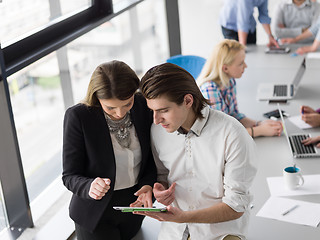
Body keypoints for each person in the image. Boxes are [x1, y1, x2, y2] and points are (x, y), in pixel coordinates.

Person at [138, 63, 257, 240]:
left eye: (163, 110)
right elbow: (163, 174)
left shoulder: (232, 134)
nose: (156, 120)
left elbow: (236, 206)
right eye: (153, 111)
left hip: (220, 232)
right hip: (173, 232)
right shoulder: (158, 130)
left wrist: (184, 217)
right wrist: (160, 190)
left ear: (188, 101)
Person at [62, 60, 157, 240]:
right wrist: (90, 186)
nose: (120, 113)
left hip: (133, 206)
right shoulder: (79, 117)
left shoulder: (142, 105)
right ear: (97, 97)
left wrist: (147, 185)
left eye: (126, 104)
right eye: (110, 107)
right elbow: (69, 176)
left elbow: (151, 159)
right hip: (94, 213)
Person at [197, 39, 283, 138]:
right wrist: (259, 131)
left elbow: (233, 116)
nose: (245, 66)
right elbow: (222, 133)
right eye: (241, 63)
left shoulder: (230, 81)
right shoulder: (210, 90)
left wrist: (259, 124)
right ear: (225, 68)